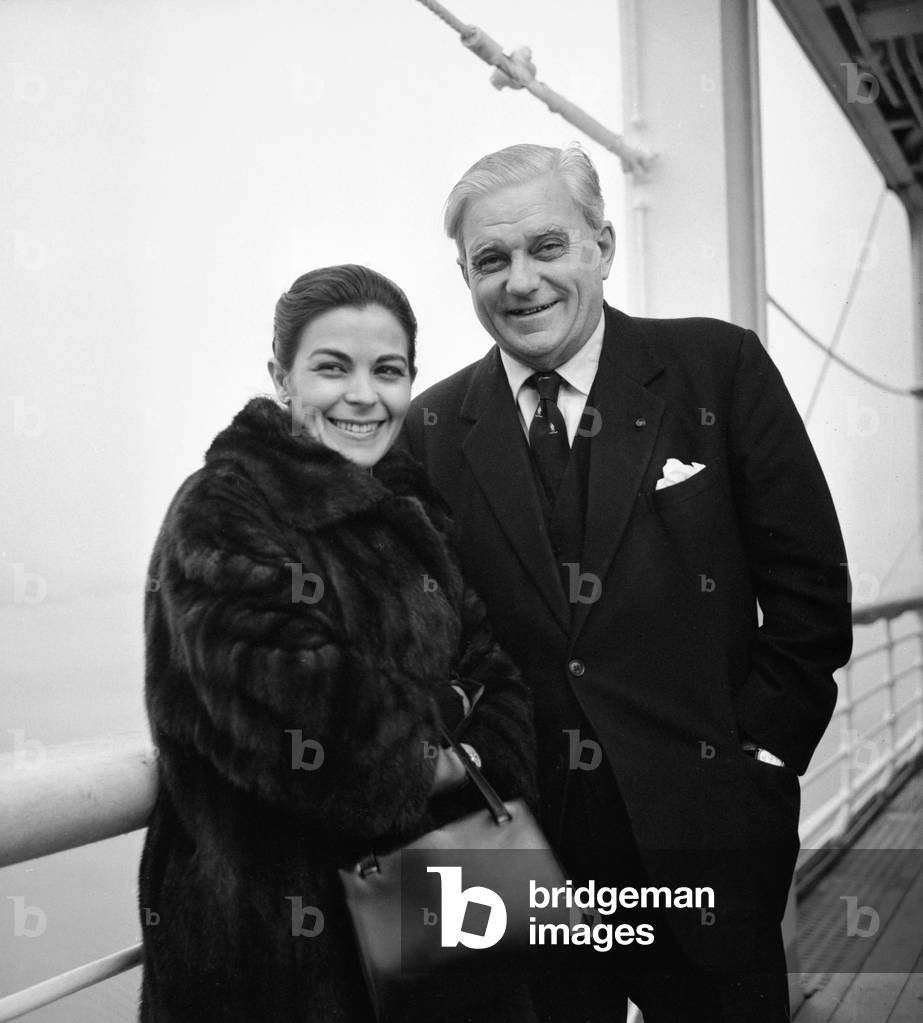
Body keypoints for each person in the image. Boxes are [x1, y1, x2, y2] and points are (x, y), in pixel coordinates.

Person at [402, 144, 853, 1022]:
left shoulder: (716, 367)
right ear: (463, 274)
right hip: (511, 864)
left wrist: (758, 756)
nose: (520, 280)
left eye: (546, 246)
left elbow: (808, 588)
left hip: (703, 834)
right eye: (490, 260)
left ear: (602, 247)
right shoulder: (429, 425)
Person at [138, 264, 538, 1023]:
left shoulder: (410, 505)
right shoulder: (222, 508)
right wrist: (445, 726)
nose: (363, 394)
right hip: (277, 951)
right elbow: (310, 725)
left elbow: (499, 676)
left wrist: (451, 735)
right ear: (280, 377)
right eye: (331, 367)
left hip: (441, 910)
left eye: (387, 371)